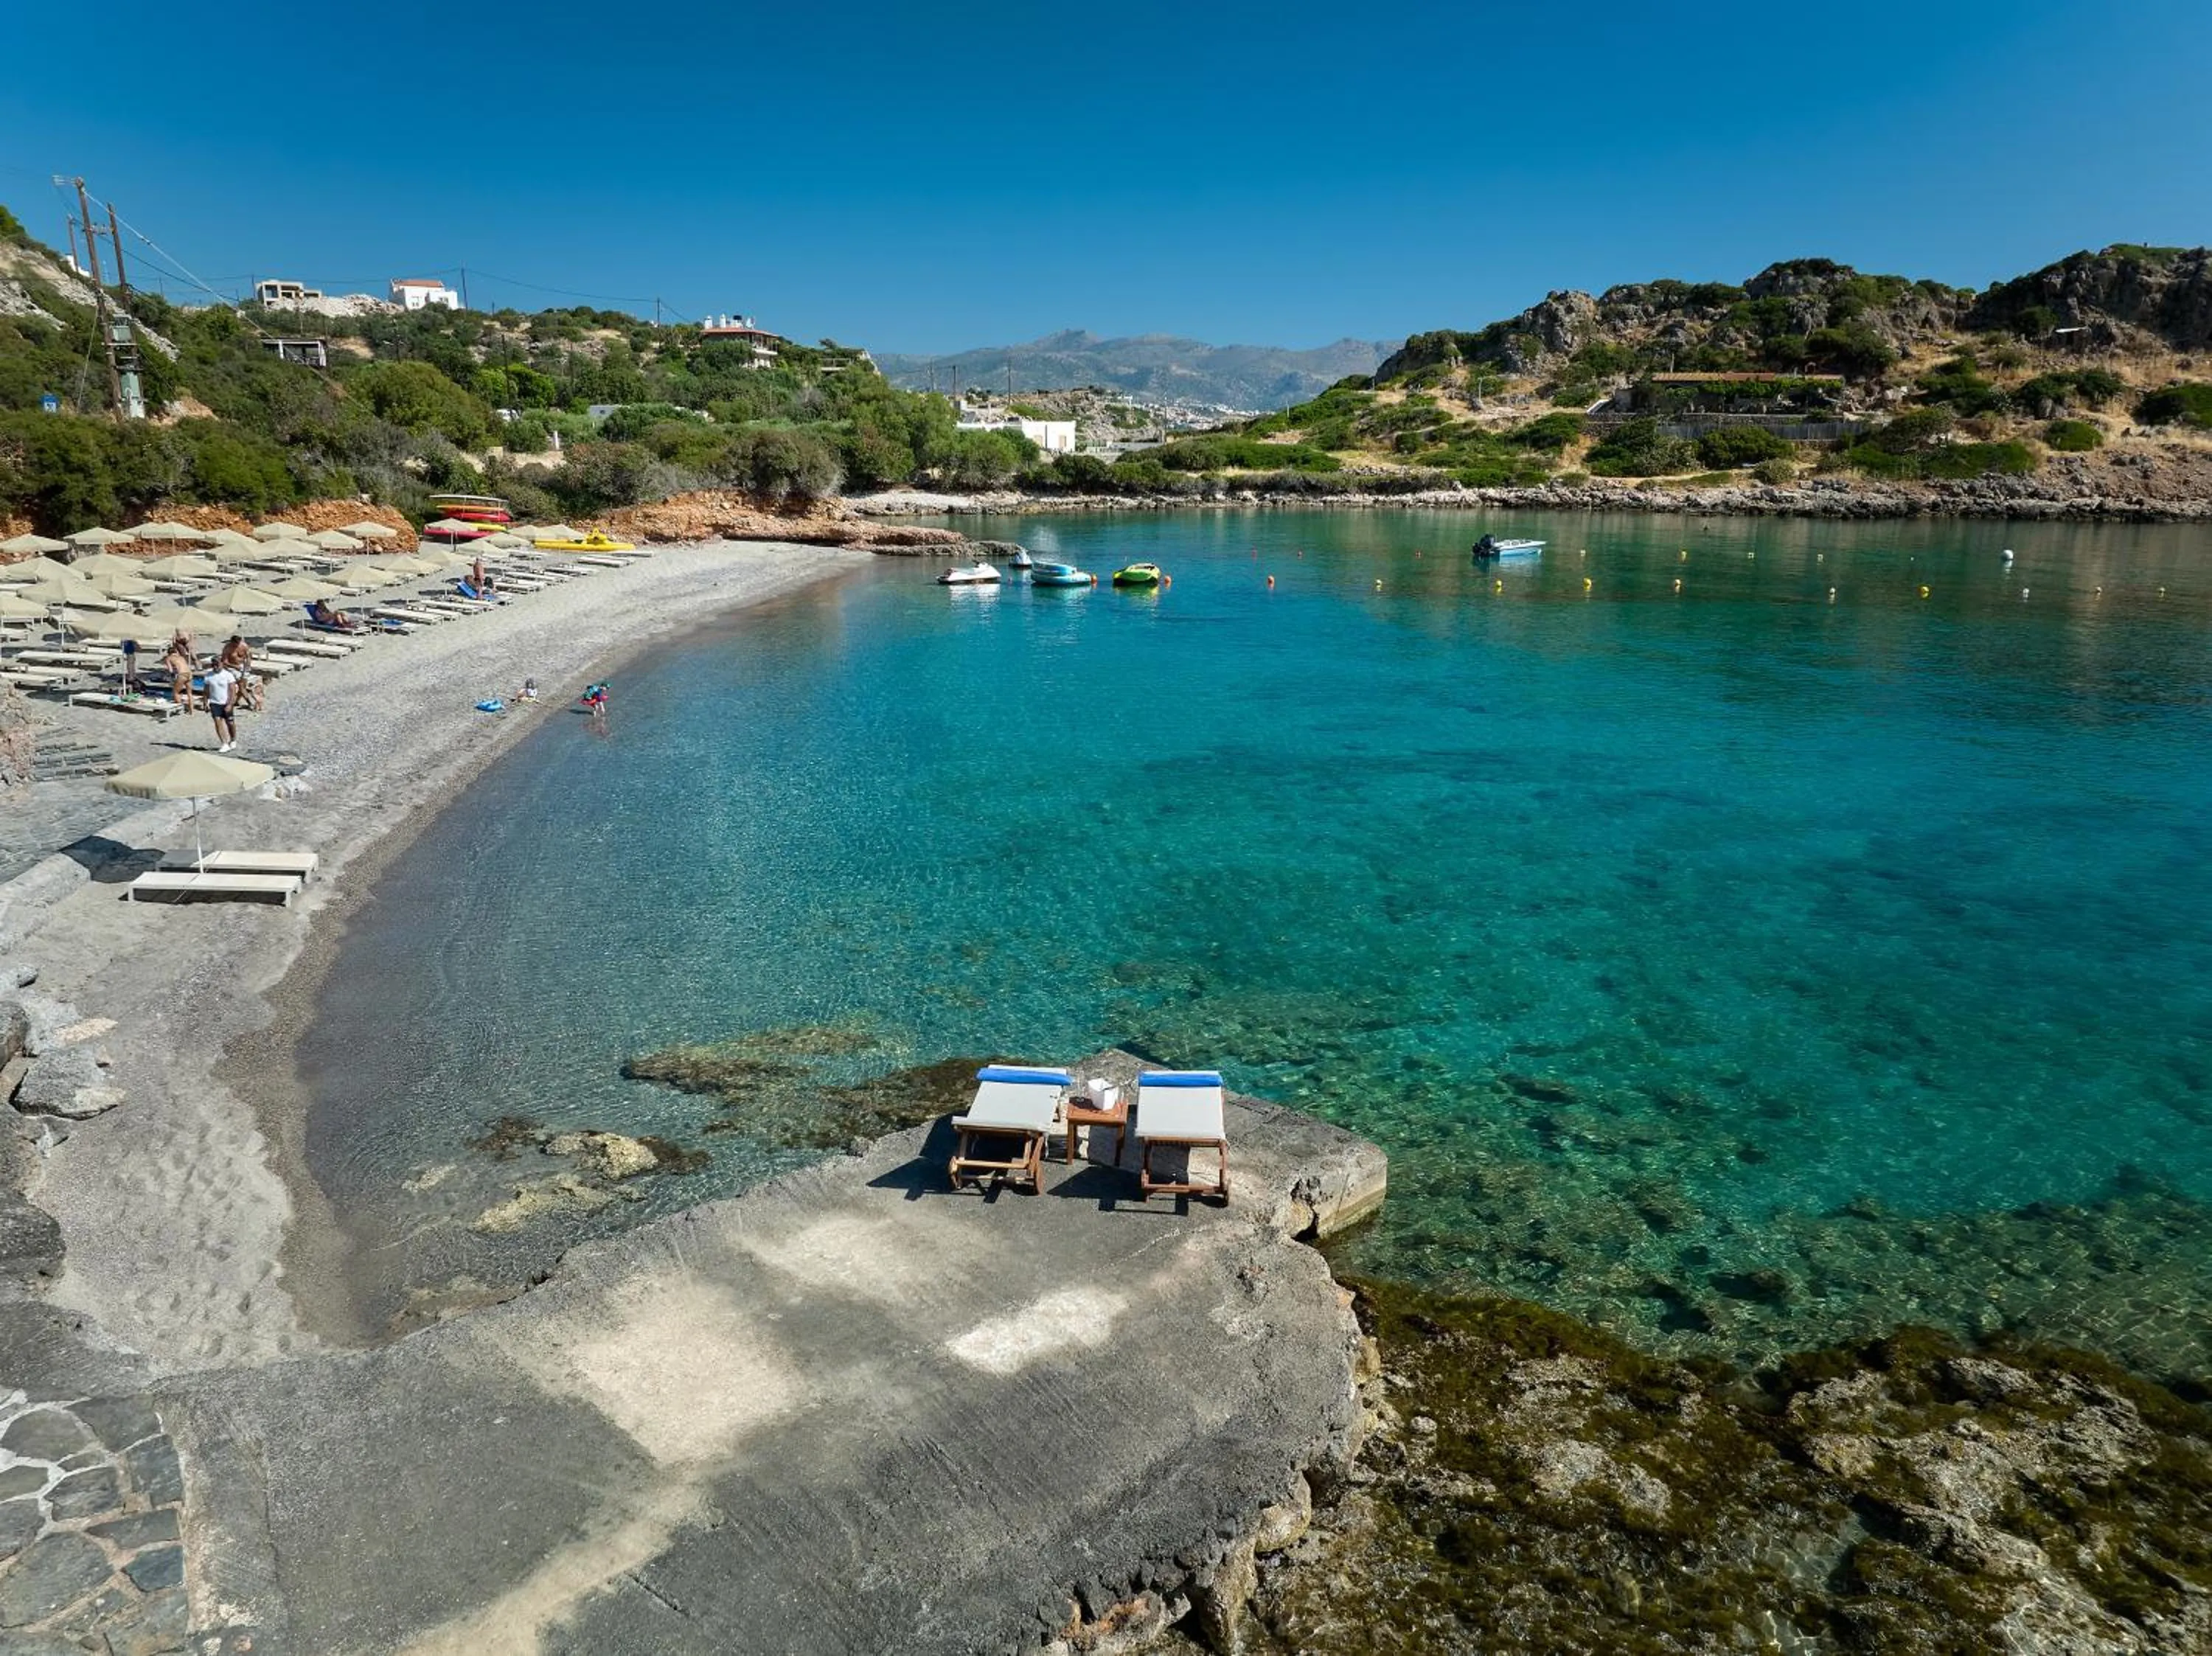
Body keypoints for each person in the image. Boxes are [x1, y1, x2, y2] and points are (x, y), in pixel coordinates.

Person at [204, 661, 238, 752]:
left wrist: (230, 704)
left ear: (222, 665)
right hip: (214, 702)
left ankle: (233, 739)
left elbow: (233, 690)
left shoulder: (228, 675)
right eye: (213, 665)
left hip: (226, 702)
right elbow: (207, 690)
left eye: (217, 665)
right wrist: (206, 702)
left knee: (230, 723)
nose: (215, 667)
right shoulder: (209, 675)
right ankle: (224, 743)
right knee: (217, 722)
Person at [163, 633, 197, 713]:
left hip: (182, 675)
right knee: (190, 693)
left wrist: (172, 679)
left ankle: (180, 708)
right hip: (189, 673)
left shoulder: (168, 658)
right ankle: (192, 710)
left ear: (169, 653)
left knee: (176, 692)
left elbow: (171, 670)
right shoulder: (181, 657)